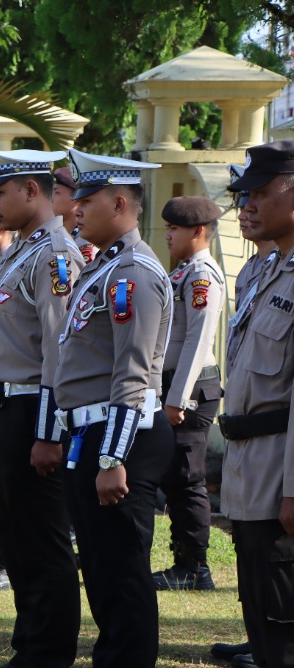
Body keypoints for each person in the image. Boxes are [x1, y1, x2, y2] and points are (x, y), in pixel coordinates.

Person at [44, 149, 173, 668]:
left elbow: (134, 373)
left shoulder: (135, 274)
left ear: (120, 203)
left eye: (87, 201)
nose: (75, 209)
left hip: (120, 435)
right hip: (88, 431)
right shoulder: (104, 268)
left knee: (121, 569)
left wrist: (113, 455)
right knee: (97, 564)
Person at [0, 146, 82, 668]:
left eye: (3, 192)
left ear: (32, 191)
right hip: (2, 404)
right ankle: (26, 651)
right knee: (16, 538)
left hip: (33, 407)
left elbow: (60, 352)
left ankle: (49, 662)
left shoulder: (55, 255)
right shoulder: (22, 251)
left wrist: (49, 432)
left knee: (42, 540)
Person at [212, 142, 294, 668]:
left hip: (283, 477)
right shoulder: (265, 273)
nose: (247, 205)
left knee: (290, 621)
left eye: (260, 192)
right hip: (252, 469)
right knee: (268, 621)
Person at [150, 196, 225, 591]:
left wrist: (176, 398)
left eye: (174, 229)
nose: (167, 235)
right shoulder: (183, 273)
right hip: (177, 383)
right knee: (176, 477)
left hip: (190, 387)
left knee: (187, 477)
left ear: (198, 231)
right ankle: (185, 561)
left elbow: (197, 340)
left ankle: (194, 568)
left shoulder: (201, 276)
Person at [52, 166, 95, 263]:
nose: (51, 198)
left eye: (57, 192)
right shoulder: (55, 235)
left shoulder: (83, 243)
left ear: (75, 199)